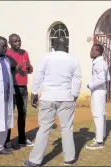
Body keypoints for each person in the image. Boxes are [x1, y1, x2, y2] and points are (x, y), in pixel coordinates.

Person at [24, 36, 82, 167]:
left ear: (54, 45)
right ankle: (70, 158)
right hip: (66, 98)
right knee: (67, 127)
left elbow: (39, 76)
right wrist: (74, 94)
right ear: (66, 46)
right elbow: (77, 78)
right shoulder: (73, 59)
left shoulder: (46, 57)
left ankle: (34, 161)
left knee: (44, 128)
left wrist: (34, 93)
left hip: (48, 97)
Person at [4, 33, 34, 148]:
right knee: (9, 114)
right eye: (15, 41)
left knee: (23, 114)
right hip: (12, 88)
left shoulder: (24, 52)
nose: (18, 43)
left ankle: (22, 138)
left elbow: (30, 69)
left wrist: (28, 68)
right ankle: (6, 141)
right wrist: (13, 69)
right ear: (10, 43)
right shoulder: (7, 53)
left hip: (23, 88)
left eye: (19, 41)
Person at [85, 44, 110, 150]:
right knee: (101, 114)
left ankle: (99, 142)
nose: (90, 52)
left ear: (98, 52)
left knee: (97, 115)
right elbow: (108, 77)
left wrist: (90, 85)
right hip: (100, 91)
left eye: (92, 50)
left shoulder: (99, 63)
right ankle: (101, 136)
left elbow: (102, 79)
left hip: (98, 92)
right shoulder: (101, 62)